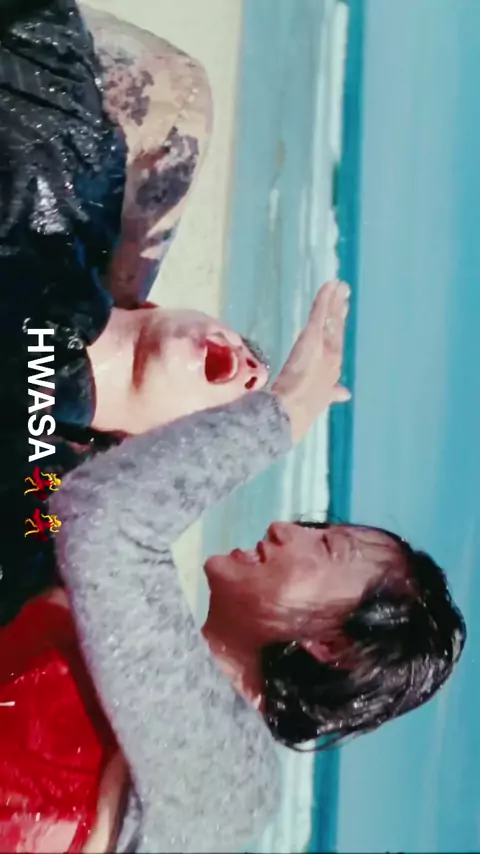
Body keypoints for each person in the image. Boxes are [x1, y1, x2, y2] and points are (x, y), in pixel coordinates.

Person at [0, 282, 466, 853]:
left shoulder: (235, 787)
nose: (285, 530)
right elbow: (66, 506)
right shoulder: (78, 611)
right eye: (316, 530)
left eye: (326, 549)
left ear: (333, 647)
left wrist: (282, 414)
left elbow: (103, 519)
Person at [0, 0, 267, 625]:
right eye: (252, 353)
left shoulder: (41, 490)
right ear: (154, 303)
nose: (251, 371)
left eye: (236, 412)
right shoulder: (75, 162)